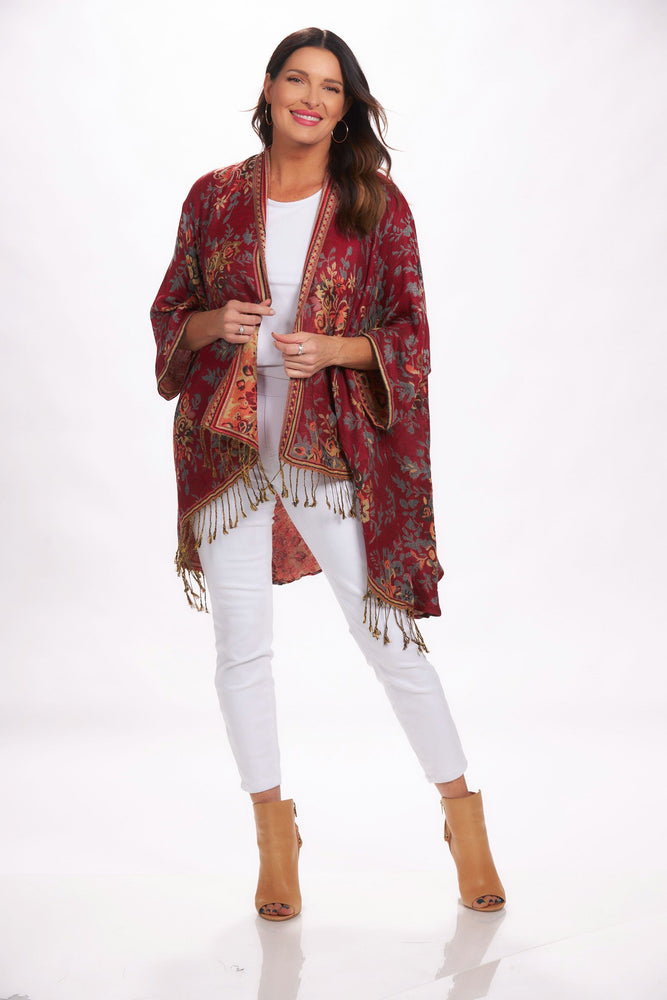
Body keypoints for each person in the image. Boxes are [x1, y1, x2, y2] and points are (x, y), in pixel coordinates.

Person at [151, 26, 505, 921]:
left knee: (387, 637)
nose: (311, 98)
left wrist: (339, 349)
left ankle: (463, 820)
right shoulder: (213, 196)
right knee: (241, 649)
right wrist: (212, 323)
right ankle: (275, 838)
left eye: (331, 87)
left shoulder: (372, 203)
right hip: (225, 447)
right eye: (297, 80)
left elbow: (412, 335)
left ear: (346, 108)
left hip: (329, 445)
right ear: (269, 89)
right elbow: (170, 312)